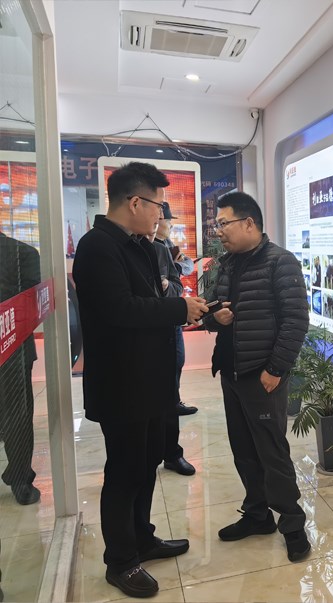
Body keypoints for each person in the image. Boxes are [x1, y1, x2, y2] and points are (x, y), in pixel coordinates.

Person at [72, 162, 208, 598]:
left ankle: (141, 539)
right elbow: (121, 310)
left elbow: (154, 296)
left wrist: (181, 304)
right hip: (122, 386)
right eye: (157, 206)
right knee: (124, 471)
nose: (160, 215)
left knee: (146, 464)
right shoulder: (97, 247)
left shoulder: (138, 245)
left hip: (150, 382)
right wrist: (178, 309)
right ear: (134, 202)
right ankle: (120, 561)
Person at [204, 191, 310, 563]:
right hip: (231, 372)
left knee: (272, 452)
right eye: (217, 224)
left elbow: (296, 321)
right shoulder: (227, 264)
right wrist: (214, 318)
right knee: (244, 451)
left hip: (262, 375)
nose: (219, 231)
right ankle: (257, 515)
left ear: (249, 223)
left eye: (224, 223)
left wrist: (275, 369)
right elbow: (211, 313)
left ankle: (293, 525)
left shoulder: (280, 261)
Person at [149, 218, 196, 477]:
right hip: (139, 341)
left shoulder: (163, 249)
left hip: (167, 330)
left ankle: (172, 454)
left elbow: (177, 284)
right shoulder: (116, 249)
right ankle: (149, 454)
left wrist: (167, 287)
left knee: (169, 395)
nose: (162, 223)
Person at [0, 230, 40, 506]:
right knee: (17, 415)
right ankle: (20, 478)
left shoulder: (21, 254)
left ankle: (20, 477)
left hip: (13, 350)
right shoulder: (22, 253)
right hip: (13, 349)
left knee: (17, 416)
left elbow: (31, 308)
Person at [155, 202, 197, 417]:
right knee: (168, 362)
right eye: (168, 221)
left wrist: (176, 268)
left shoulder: (167, 244)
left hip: (172, 312)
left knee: (177, 359)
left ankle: (173, 400)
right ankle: (168, 403)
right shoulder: (147, 246)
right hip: (159, 315)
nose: (170, 225)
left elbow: (189, 265)